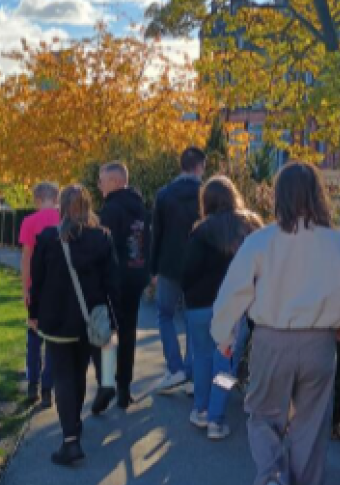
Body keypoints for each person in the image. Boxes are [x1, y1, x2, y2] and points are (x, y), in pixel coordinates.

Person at [212, 162, 340, 485]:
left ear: (279, 196)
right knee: (312, 424)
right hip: (319, 344)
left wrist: (223, 335)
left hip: (270, 340)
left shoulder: (261, 242)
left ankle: (272, 475)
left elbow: (231, 293)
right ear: (318, 196)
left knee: (262, 415)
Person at [29, 185, 120, 466]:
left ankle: (70, 438)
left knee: (63, 377)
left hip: (56, 320)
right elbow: (111, 283)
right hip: (89, 320)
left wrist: (33, 313)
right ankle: (75, 426)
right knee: (78, 373)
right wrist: (113, 320)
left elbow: (37, 280)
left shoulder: (47, 239)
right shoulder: (101, 238)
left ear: (62, 208)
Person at [182, 176, 263, 440]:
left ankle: (201, 410)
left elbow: (188, 272)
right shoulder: (251, 226)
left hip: (199, 306)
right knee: (226, 365)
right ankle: (217, 419)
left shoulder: (201, 231)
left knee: (202, 358)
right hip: (237, 308)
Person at [92, 162, 150, 413]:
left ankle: (106, 383)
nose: (99, 186)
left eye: (102, 181)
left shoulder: (111, 209)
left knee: (104, 331)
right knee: (128, 332)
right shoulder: (140, 207)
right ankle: (124, 387)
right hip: (136, 275)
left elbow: (104, 246)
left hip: (114, 279)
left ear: (115, 181)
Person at [151, 146, 206, 393]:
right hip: (199, 266)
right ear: (198, 167)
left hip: (169, 265)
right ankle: (193, 373)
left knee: (165, 315)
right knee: (193, 319)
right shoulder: (206, 195)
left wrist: (153, 269)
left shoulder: (164, 195)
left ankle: (175, 369)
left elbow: (157, 235)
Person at [19, 182, 60, 407]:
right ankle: (47, 387)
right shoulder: (64, 220)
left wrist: (26, 288)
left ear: (37, 199)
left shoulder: (29, 222)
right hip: (58, 288)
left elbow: (26, 258)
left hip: (37, 287)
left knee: (34, 336)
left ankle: (32, 384)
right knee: (53, 339)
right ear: (56, 198)